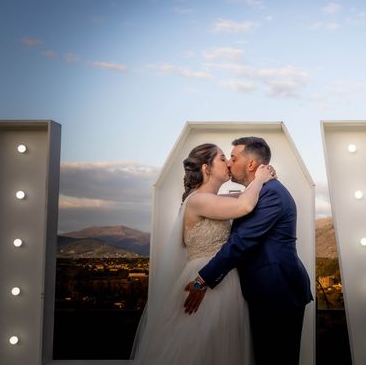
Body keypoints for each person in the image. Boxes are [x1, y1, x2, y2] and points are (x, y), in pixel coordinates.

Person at [131, 143, 276, 364]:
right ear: (207, 169)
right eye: (221, 158)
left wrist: (259, 178)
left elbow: (244, 197)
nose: (227, 162)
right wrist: (259, 179)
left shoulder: (211, 199)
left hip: (221, 278)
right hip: (206, 281)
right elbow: (244, 207)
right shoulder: (198, 200)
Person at [183, 136, 313, 365]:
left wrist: (203, 279)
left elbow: (241, 243)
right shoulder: (256, 192)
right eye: (226, 159)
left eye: (233, 158)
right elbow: (232, 202)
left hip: (276, 292)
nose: (229, 163)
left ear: (251, 164)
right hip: (261, 292)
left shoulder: (271, 193)